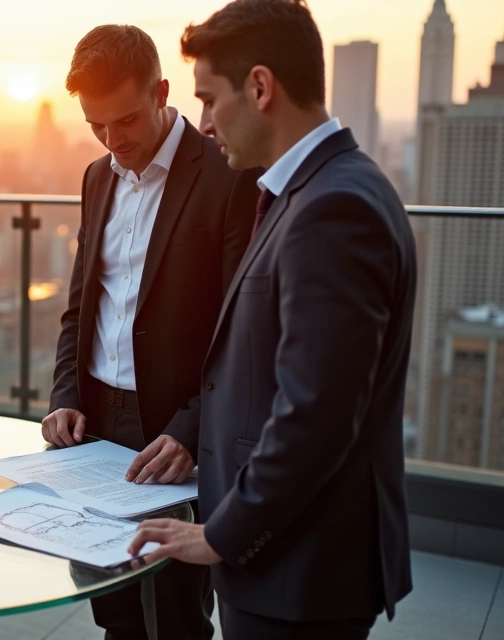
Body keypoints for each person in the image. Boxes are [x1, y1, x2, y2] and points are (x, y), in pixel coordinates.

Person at [127, 1, 415, 638]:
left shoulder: (334, 209)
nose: (202, 124)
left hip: (297, 571)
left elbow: (318, 413)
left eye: (209, 100)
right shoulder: (310, 191)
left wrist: (221, 536)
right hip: (281, 557)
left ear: (260, 87)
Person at [41, 24, 259, 640]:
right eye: (96, 127)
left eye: (127, 121)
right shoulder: (96, 177)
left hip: (174, 430)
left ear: (164, 91)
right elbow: (80, 307)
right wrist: (64, 399)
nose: (114, 142)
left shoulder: (227, 173)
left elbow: (242, 327)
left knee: (174, 615)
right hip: (94, 427)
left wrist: (192, 429)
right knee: (110, 601)